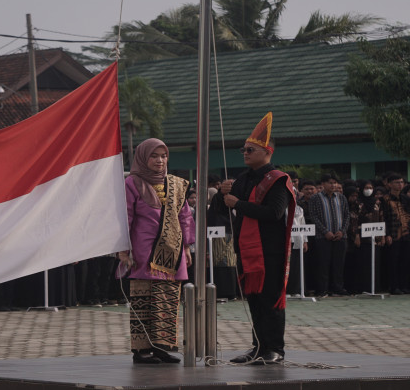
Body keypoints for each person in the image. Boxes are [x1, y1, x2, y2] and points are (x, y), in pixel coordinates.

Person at [211, 113, 294, 365]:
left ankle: (275, 349)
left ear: (267, 152)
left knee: (270, 299)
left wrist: (240, 204)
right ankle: (258, 346)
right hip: (246, 249)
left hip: (270, 250)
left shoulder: (277, 180)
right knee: (254, 300)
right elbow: (220, 209)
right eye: (243, 150)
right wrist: (220, 194)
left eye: (250, 149)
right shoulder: (243, 179)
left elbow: (274, 213)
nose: (245, 153)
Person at [117, 138, 195, 365]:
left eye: (163, 156)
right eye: (154, 156)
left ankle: (161, 347)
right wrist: (123, 250)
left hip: (173, 249)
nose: (160, 161)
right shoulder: (132, 183)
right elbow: (125, 218)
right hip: (144, 250)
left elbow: (185, 217)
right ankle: (141, 351)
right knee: (144, 298)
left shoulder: (177, 185)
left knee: (167, 299)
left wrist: (187, 247)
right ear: (143, 157)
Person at [308, 174, 350, 296]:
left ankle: (338, 288)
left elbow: (347, 215)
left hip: (341, 236)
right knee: (323, 264)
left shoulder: (341, 198)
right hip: (323, 237)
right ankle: (322, 289)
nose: (333, 185)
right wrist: (325, 231)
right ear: (323, 184)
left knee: (339, 264)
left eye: (335, 183)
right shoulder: (315, 198)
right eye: (330, 183)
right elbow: (313, 216)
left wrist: (342, 231)